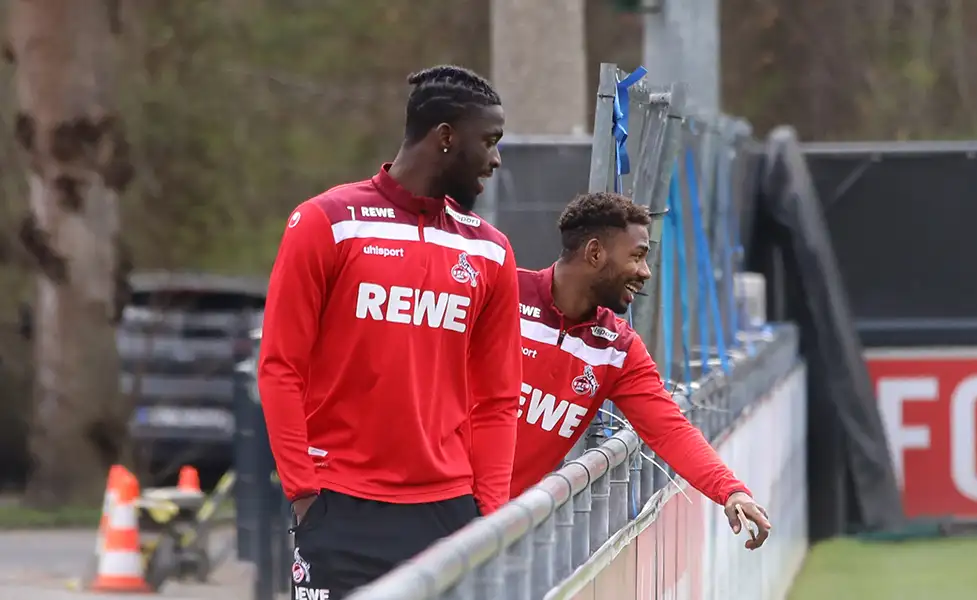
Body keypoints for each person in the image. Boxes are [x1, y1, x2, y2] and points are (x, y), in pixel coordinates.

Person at [258, 65, 523, 597]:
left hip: (448, 516)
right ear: (445, 137)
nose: (496, 159)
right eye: (489, 141)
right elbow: (280, 368)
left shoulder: (491, 251)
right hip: (340, 510)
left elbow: (497, 398)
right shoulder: (326, 223)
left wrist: (489, 512)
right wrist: (305, 494)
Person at [511, 191, 772, 549]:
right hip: (430, 504)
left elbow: (670, 430)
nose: (645, 272)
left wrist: (731, 491)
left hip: (502, 530)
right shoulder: (503, 295)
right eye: (637, 256)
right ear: (594, 253)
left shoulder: (618, 348)